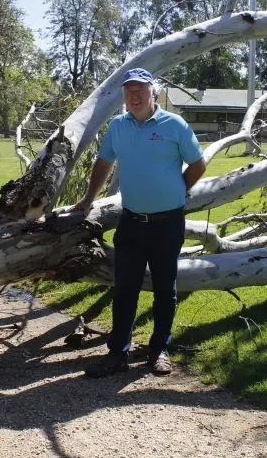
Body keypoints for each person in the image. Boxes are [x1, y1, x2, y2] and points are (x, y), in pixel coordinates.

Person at [74, 68, 206, 377]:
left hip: (167, 224)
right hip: (131, 222)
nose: (134, 96)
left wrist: (179, 188)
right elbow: (104, 161)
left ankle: (159, 350)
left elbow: (198, 164)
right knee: (125, 289)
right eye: (128, 91)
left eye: (140, 90)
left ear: (153, 93)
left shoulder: (175, 125)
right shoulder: (118, 127)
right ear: (124, 96)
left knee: (164, 289)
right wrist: (89, 197)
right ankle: (118, 353)